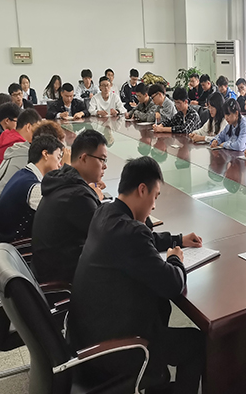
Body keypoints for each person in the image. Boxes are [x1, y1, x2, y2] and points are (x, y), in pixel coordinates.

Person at [69, 156, 204, 394]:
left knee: (160, 311)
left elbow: (143, 240)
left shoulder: (105, 212)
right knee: (196, 343)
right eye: (155, 196)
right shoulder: (130, 233)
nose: (154, 206)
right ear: (142, 190)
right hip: (113, 350)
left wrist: (177, 240)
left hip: (86, 334)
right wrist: (175, 259)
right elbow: (172, 284)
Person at [32, 130, 108, 284]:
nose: (105, 166)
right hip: (63, 278)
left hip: (49, 268)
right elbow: (109, 235)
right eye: (102, 159)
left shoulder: (62, 181)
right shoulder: (76, 195)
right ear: (84, 158)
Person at [0, 136, 63, 242]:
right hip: (15, 243)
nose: (60, 165)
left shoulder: (22, 174)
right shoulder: (33, 187)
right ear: (45, 154)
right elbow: (58, 211)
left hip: (4, 238)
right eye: (58, 157)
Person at [0, 120, 67, 199]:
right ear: (45, 153)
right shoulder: (26, 160)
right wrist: (66, 167)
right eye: (58, 155)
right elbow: (55, 198)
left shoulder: (26, 160)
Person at [0, 109, 42, 178]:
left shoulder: (10, 138)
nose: (38, 134)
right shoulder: (18, 146)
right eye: (37, 129)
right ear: (28, 127)